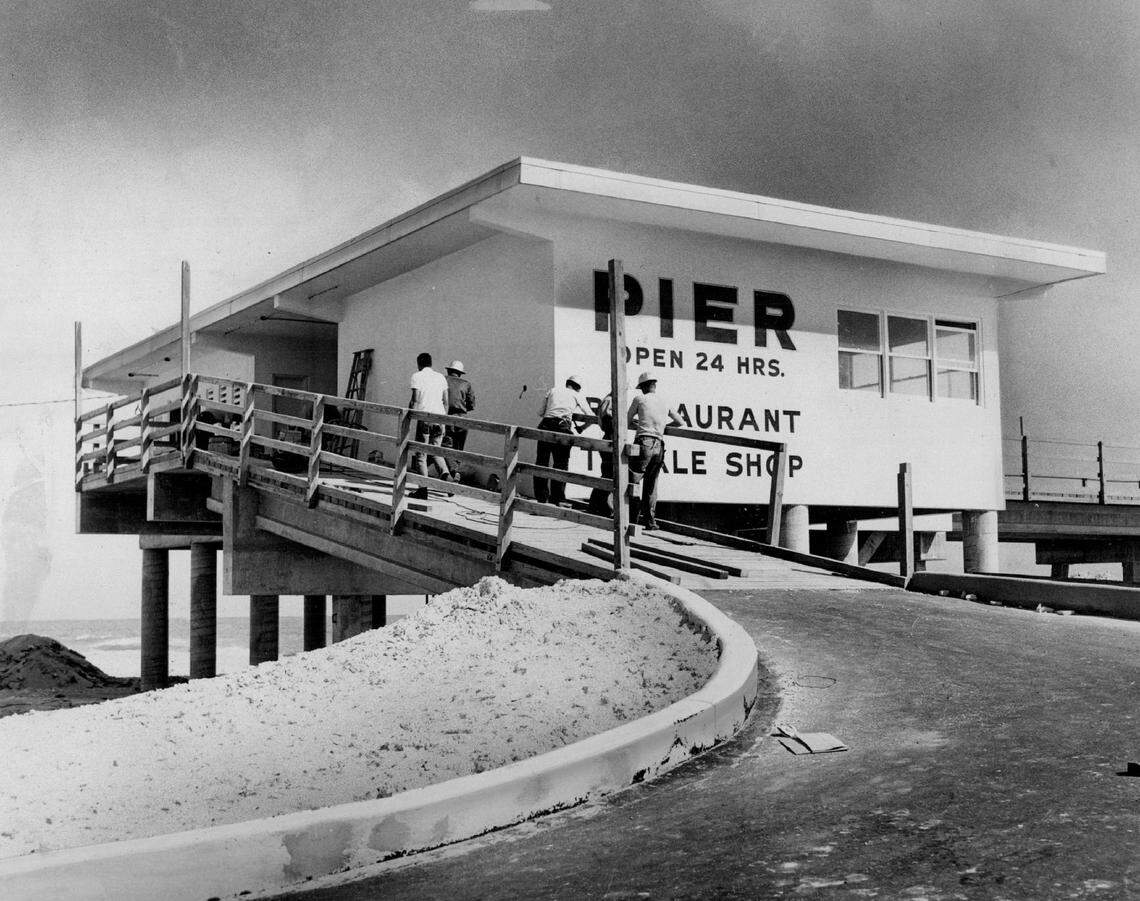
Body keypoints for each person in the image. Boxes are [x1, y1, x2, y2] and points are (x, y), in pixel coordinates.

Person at [627, 371, 683, 530]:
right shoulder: (664, 401)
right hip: (659, 443)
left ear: (643, 387)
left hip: (643, 441)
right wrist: (663, 428)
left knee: (633, 481)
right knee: (651, 485)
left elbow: (625, 420)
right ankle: (650, 522)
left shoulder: (639, 399)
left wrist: (639, 426)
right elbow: (680, 422)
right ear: (654, 385)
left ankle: (631, 521)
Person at [534, 374, 592, 506]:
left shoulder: (552, 390)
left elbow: (540, 412)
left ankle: (541, 498)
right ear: (578, 388)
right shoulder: (576, 395)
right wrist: (581, 428)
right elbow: (590, 416)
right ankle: (557, 498)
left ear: (568, 383)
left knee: (541, 462)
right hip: (562, 427)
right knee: (560, 464)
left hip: (545, 426)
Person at [408, 352, 452, 500]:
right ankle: (447, 479)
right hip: (439, 418)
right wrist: (442, 419)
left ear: (419, 363)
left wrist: (411, 416)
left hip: (425, 418)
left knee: (421, 455)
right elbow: (446, 401)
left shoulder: (417, 376)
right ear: (431, 363)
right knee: (436, 452)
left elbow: (415, 400)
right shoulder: (440, 377)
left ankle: (423, 489)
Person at [443, 360, 475, 479]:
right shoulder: (467, 384)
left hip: (448, 418)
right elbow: (472, 405)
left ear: (448, 370)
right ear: (460, 373)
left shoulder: (444, 380)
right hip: (463, 420)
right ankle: (455, 472)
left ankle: (453, 471)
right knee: (459, 449)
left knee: (446, 446)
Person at [587, 391, 615, 515]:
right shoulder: (611, 400)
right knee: (609, 473)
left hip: (608, 437)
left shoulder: (607, 399)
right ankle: (597, 506)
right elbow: (607, 416)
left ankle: (598, 506)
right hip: (610, 438)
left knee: (608, 473)